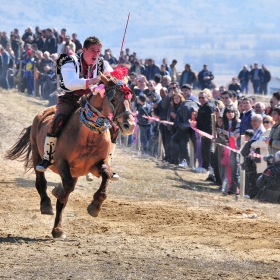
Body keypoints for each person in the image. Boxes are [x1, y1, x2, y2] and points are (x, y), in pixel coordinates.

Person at [36, 36, 114, 172]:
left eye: (98, 51)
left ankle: (108, 161)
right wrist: (92, 81)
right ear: (84, 50)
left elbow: (111, 77)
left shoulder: (104, 64)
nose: (96, 54)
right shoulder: (70, 61)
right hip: (72, 100)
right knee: (58, 120)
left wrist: (115, 78)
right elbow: (69, 83)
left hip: (94, 103)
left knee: (115, 127)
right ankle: (48, 157)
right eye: (93, 50)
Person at [191, 89, 215, 173]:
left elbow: (209, 122)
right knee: (203, 149)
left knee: (207, 150)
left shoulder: (208, 107)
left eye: (203, 97)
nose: (201, 99)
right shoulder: (201, 106)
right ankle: (204, 166)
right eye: (200, 97)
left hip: (207, 132)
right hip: (202, 132)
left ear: (207, 97)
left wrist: (203, 132)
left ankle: (207, 167)